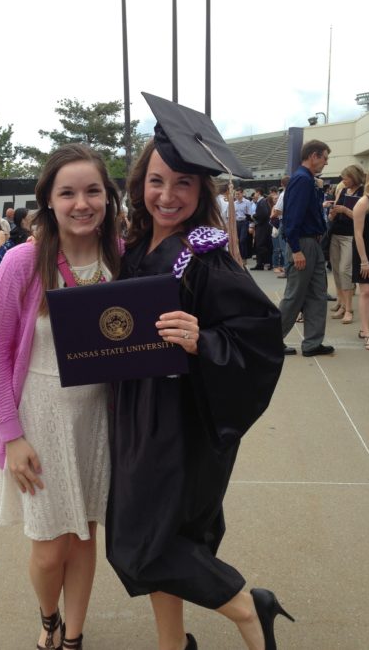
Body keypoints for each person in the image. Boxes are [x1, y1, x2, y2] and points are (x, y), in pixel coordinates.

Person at [106, 94, 291, 650]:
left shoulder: (205, 253)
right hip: (135, 412)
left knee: (142, 543)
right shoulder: (134, 247)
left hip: (183, 422)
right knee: (168, 537)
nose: (168, 195)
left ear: (201, 191)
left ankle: (246, 606)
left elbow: (260, 338)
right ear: (141, 182)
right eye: (158, 181)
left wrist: (202, 340)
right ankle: (172, 643)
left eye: (184, 184)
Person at [0, 144, 122, 650]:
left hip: (101, 418)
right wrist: (10, 435)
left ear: (108, 197)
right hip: (39, 417)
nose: (81, 203)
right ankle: (49, 620)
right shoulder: (22, 263)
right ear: (49, 200)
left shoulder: (121, 259)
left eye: (92, 191)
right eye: (68, 193)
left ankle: (75, 636)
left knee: (84, 535)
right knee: (48, 547)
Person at [280, 140, 334, 357]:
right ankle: (271, 340)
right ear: (313, 156)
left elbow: (310, 211)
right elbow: (292, 217)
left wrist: (319, 191)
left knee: (317, 295)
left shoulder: (306, 179)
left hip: (310, 242)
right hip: (303, 243)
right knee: (295, 296)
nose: (325, 163)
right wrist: (295, 249)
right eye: (324, 158)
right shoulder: (302, 179)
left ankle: (312, 343)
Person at [328, 165, 365, 325]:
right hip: (336, 234)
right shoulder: (343, 191)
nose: (343, 181)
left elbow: (361, 216)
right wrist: (333, 212)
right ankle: (343, 305)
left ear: (354, 177)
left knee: (345, 271)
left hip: (350, 236)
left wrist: (344, 210)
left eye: (346, 178)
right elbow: (335, 212)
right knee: (336, 271)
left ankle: (349, 309)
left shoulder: (363, 193)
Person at [352, 168, 369, 350]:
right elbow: (358, 234)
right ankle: (367, 332)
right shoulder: (363, 202)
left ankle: (364, 328)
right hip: (365, 252)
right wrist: (364, 260)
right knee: (366, 290)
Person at [251, 187, 272, 270]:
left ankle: (262, 263)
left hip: (262, 226)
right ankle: (263, 263)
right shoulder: (263, 201)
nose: (254, 196)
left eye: (255, 193)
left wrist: (254, 216)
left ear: (258, 193)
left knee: (260, 244)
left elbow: (264, 213)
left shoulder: (261, 202)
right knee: (262, 244)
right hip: (264, 225)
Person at [233, 187, 252, 261]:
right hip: (237, 223)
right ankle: (239, 256)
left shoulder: (247, 202)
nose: (237, 195)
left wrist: (251, 225)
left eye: (238, 194)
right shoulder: (234, 203)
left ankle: (244, 257)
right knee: (237, 240)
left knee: (242, 240)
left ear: (242, 193)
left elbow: (250, 214)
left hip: (244, 222)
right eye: (235, 194)